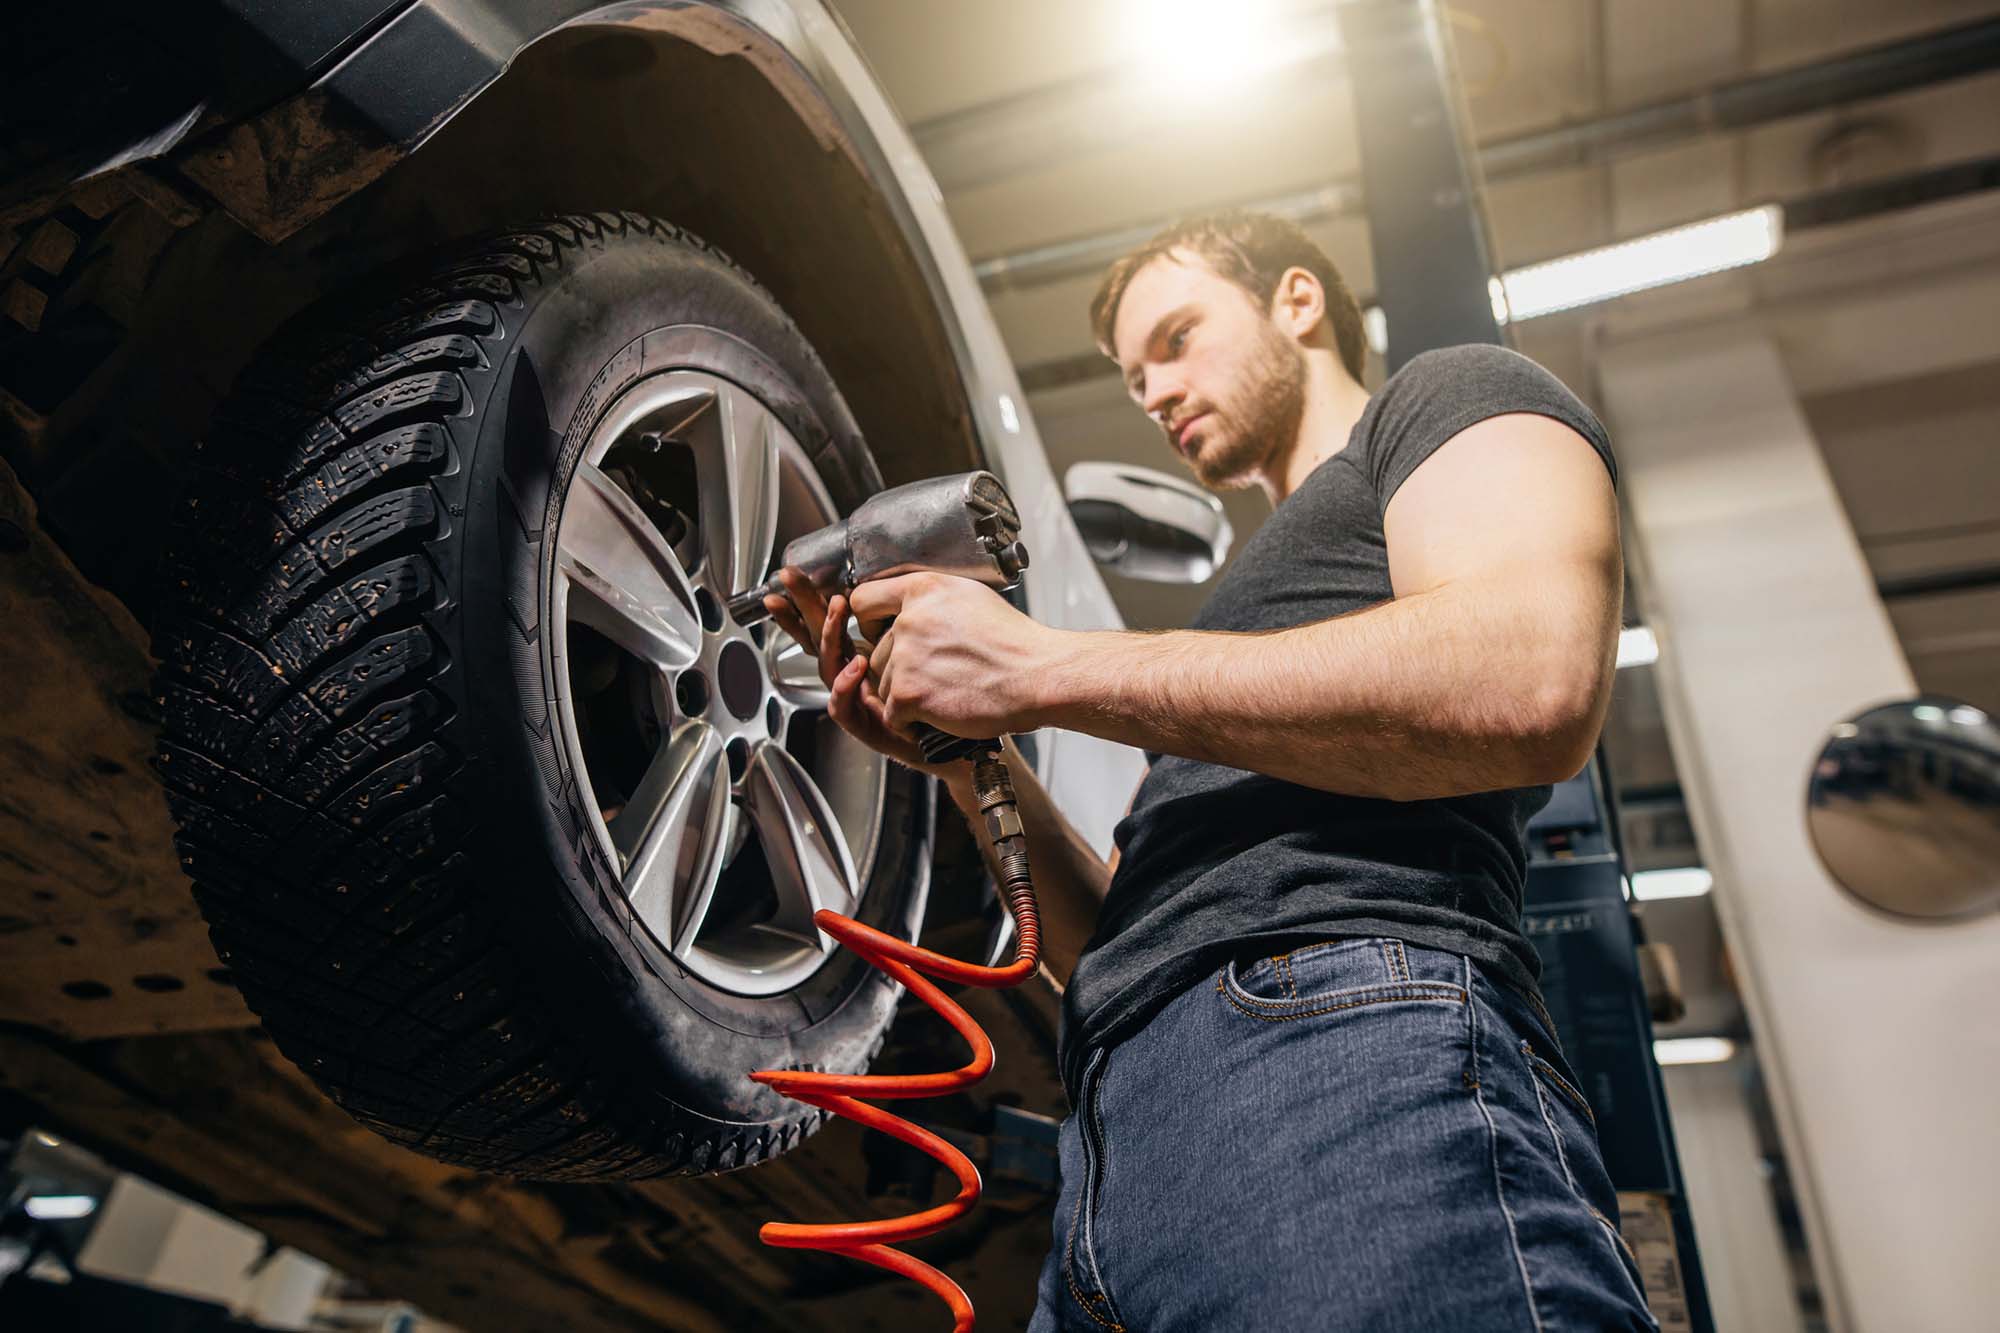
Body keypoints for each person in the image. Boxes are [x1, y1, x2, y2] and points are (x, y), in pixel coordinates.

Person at [764, 210, 1653, 1331]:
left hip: (1341, 1057)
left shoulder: (1446, 396)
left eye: (1177, 338)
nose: (1154, 392)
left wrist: (1038, 666)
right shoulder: (1250, 614)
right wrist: (967, 762)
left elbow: (1526, 678)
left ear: (1296, 301)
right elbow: (1107, 939)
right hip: (1116, 1138)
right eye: (1134, 378)